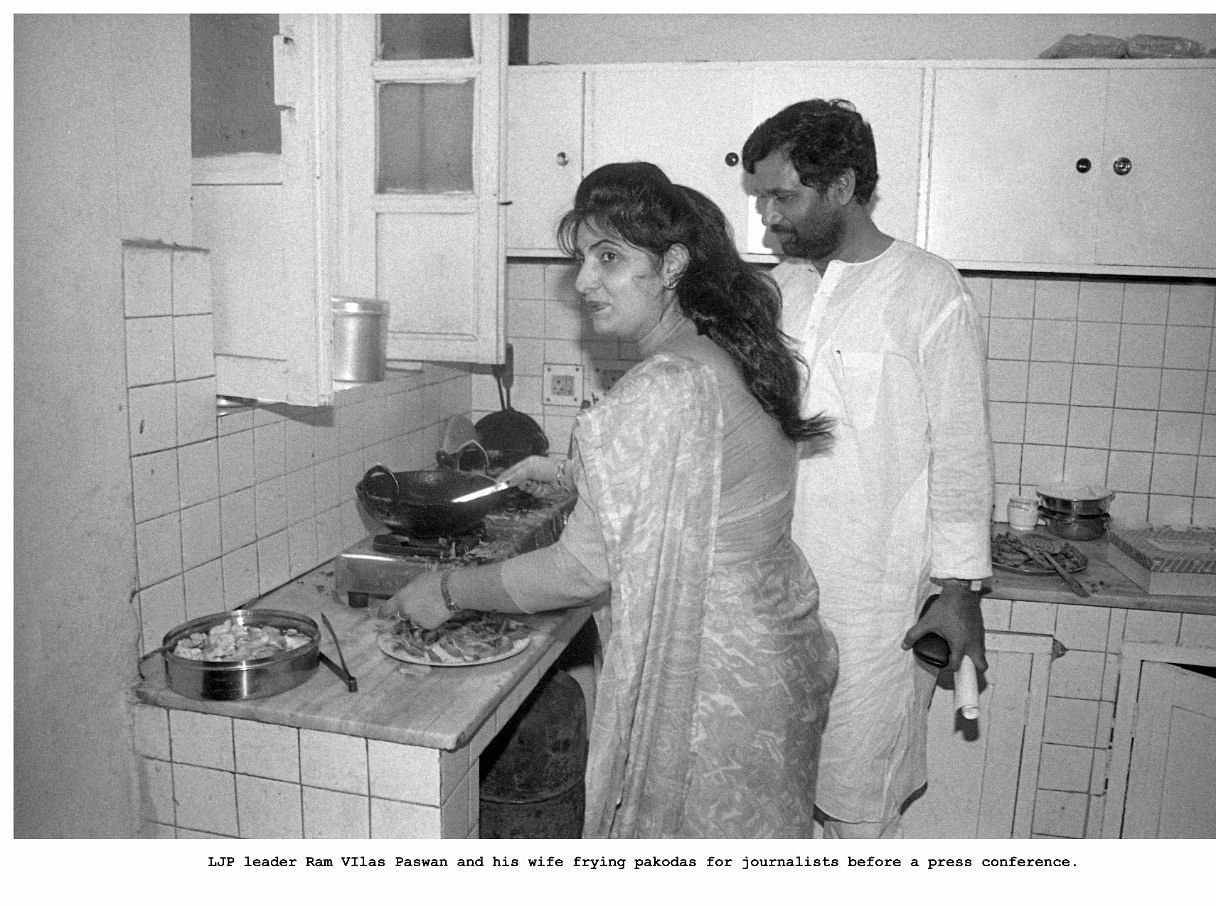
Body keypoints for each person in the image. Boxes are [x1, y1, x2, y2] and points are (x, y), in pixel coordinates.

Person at [382, 161, 837, 839]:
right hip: (772, 653)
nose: (585, 281)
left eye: (610, 258)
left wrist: (448, 589)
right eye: (582, 259)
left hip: (716, 683)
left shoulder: (665, 383)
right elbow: (696, 488)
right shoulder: (724, 352)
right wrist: (576, 477)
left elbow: (580, 571)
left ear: (673, 264)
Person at [741, 99, 995, 839]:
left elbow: (962, 453)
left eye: (783, 198)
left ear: (844, 187)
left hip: (874, 608)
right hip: (773, 600)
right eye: (760, 200)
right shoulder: (775, 292)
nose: (767, 220)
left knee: (856, 813)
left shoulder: (928, 290)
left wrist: (959, 591)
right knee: (776, 803)